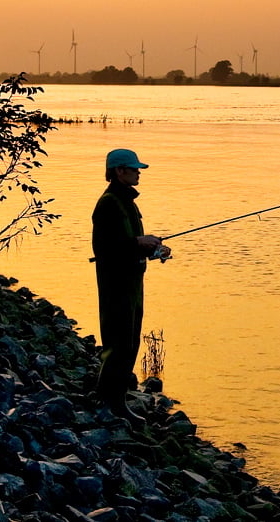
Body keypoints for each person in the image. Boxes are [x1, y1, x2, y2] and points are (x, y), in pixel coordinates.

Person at [91, 148, 170, 425]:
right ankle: (108, 401)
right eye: (134, 169)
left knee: (131, 340)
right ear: (119, 171)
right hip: (116, 283)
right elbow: (104, 248)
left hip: (132, 282)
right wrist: (138, 243)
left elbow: (128, 243)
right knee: (119, 341)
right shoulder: (109, 203)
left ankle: (116, 398)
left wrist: (153, 248)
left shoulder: (128, 202)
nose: (139, 173)